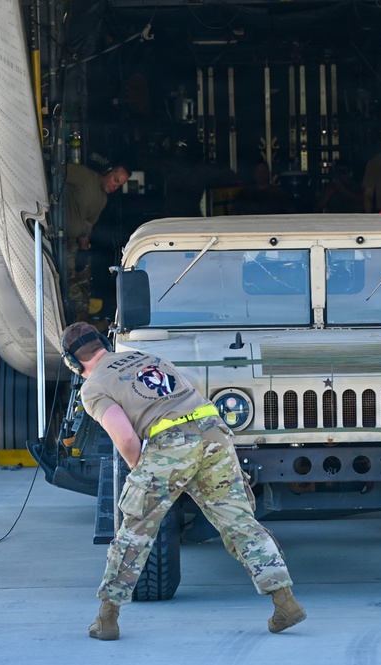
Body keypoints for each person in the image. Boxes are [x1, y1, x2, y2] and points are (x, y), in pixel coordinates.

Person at [60, 322, 306, 641]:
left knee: (134, 531)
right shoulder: (152, 358)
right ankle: (285, 602)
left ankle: (107, 620)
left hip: (170, 442)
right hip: (214, 434)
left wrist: (144, 471)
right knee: (240, 522)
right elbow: (188, 395)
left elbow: (123, 436)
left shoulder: (94, 386)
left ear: (73, 362)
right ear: (103, 343)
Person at [64, 164, 131, 322]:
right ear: (107, 172)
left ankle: (83, 319)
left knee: (84, 284)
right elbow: (54, 172)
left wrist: (84, 250)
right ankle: (78, 321)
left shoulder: (102, 200)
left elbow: (87, 225)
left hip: (74, 244)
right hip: (59, 238)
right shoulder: (84, 176)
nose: (115, 186)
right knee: (72, 286)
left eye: (119, 185)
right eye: (115, 179)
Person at [232, 161, 296, 215]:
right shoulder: (246, 193)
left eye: (263, 172)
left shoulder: (278, 193)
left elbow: (290, 212)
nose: (261, 175)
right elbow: (234, 212)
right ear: (254, 174)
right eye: (258, 172)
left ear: (269, 174)